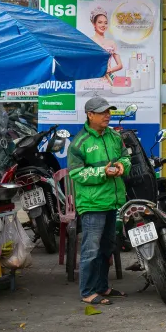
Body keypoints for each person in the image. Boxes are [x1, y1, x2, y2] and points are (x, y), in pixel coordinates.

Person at [69, 96, 130, 306]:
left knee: (107, 248)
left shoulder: (114, 136)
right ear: (90, 115)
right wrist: (102, 172)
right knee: (91, 250)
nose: (108, 115)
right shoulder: (79, 142)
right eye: (103, 112)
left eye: (109, 111)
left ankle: (103, 286)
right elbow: (76, 173)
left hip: (113, 201)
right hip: (92, 205)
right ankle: (87, 291)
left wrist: (123, 166)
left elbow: (125, 156)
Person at [86, 6, 123, 83]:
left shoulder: (111, 43)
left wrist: (110, 70)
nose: (103, 25)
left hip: (107, 80)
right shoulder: (89, 41)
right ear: (94, 24)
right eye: (100, 22)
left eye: (105, 23)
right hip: (93, 80)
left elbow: (120, 65)